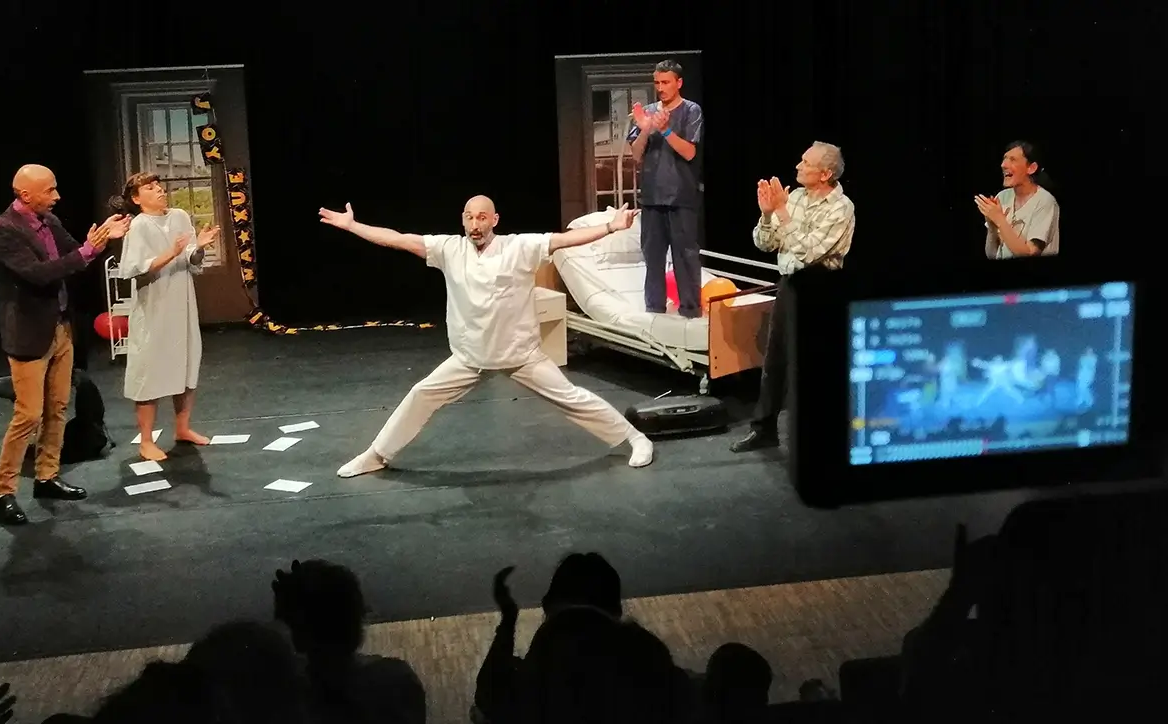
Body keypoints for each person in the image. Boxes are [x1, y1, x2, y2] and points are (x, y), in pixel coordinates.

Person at [318, 196, 655, 477]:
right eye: (468, 217)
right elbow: (399, 238)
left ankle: (635, 438)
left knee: (572, 397)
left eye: (481, 217)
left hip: (520, 354)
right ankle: (377, 455)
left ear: (494, 219)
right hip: (470, 357)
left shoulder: (520, 246)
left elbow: (563, 239)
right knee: (421, 394)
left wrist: (612, 226)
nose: (475, 224)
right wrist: (352, 226)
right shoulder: (448, 250)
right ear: (462, 221)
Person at [0, 165, 128, 526]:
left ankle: (47, 476)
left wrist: (100, 240)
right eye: (50, 190)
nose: (57, 196)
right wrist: (86, 252)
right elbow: (38, 274)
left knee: (59, 406)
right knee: (28, 414)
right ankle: (3, 492)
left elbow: (74, 255)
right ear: (25, 195)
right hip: (29, 333)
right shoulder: (2, 232)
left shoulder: (49, 221)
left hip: (61, 327)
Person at [731, 142, 857, 453]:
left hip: (823, 286)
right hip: (791, 284)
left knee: (816, 363)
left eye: (806, 162)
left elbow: (811, 251)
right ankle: (764, 429)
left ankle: (823, 436)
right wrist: (766, 215)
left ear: (825, 173)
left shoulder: (841, 208)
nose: (798, 166)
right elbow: (765, 243)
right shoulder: (795, 197)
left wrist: (783, 213)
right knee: (775, 360)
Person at [108, 172, 221, 461]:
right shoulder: (139, 226)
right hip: (153, 306)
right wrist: (171, 252)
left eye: (159, 186)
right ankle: (146, 440)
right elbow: (134, 269)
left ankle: (182, 428)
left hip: (181, 303)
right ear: (136, 198)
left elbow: (192, 261)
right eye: (150, 188)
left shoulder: (180, 216)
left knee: (184, 363)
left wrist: (199, 248)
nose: (159, 190)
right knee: (150, 370)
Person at [626, 59, 706, 318]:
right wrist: (646, 129)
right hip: (652, 197)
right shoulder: (646, 112)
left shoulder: (691, 110)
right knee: (653, 257)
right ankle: (655, 308)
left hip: (681, 196)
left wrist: (666, 129)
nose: (660, 87)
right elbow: (636, 155)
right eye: (657, 82)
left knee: (685, 256)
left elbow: (690, 152)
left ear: (678, 83)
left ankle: (691, 310)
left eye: (666, 82)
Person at [977, 140, 1060, 259]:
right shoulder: (1002, 197)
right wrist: (992, 227)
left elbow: (1030, 253)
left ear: (1031, 168)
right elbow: (991, 255)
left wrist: (1000, 220)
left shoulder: (1044, 201)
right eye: (1004, 159)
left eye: (1012, 159)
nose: (1003, 165)